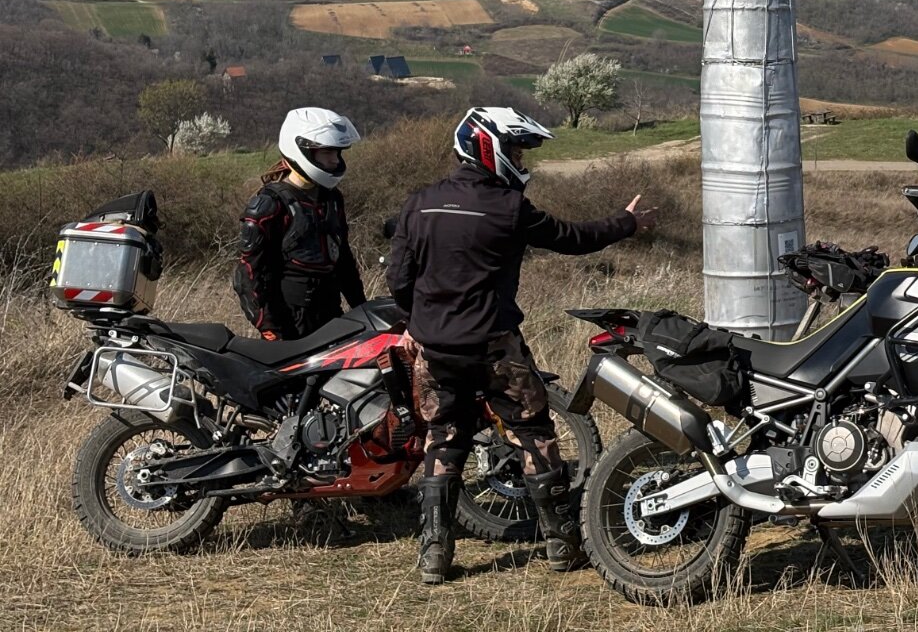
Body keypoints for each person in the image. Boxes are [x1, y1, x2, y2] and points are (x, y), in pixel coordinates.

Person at [386, 106, 655, 584]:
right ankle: (561, 543)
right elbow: (572, 238)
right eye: (514, 148)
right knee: (533, 432)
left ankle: (434, 554)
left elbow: (398, 278)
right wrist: (626, 223)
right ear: (486, 146)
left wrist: (415, 322)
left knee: (443, 438)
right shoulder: (508, 207)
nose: (520, 158)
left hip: (435, 348)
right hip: (494, 347)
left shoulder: (419, 202)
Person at [233, 107, 366, 342]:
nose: (335, 160)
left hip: (333, 318)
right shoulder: (270, 205)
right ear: (302, 150)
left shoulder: (332, 199)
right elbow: (249, 275)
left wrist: (362, 309)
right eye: (327, 152)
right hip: (290, 326)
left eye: (337, 152)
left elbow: (343, 261)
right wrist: (273, 332)